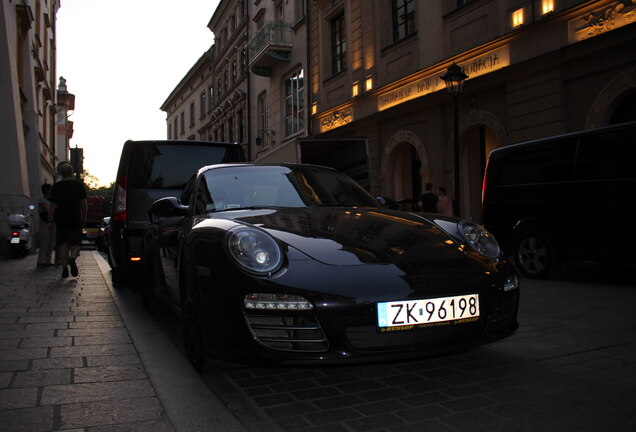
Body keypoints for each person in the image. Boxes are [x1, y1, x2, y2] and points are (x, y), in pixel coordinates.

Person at [49, 163, 87, 278]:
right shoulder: (78, 185)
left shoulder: (56, 187)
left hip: (61, 218)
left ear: (61, 173)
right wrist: (84, 216)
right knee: (76, 243)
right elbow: (83, 203)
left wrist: (50, 220)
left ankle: (65, 268)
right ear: (72, 173)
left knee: (63, 244)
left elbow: (52, 205)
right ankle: (72, 258)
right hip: (75, 217)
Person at [36, 184, 55, 267]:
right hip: (45, 222)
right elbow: (47, 210)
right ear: (47, 190)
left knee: (51, 242)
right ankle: (41, 261)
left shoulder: (51, 200)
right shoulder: (41, 200)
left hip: (51, 222)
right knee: (45, 241)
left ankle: (47, 260)